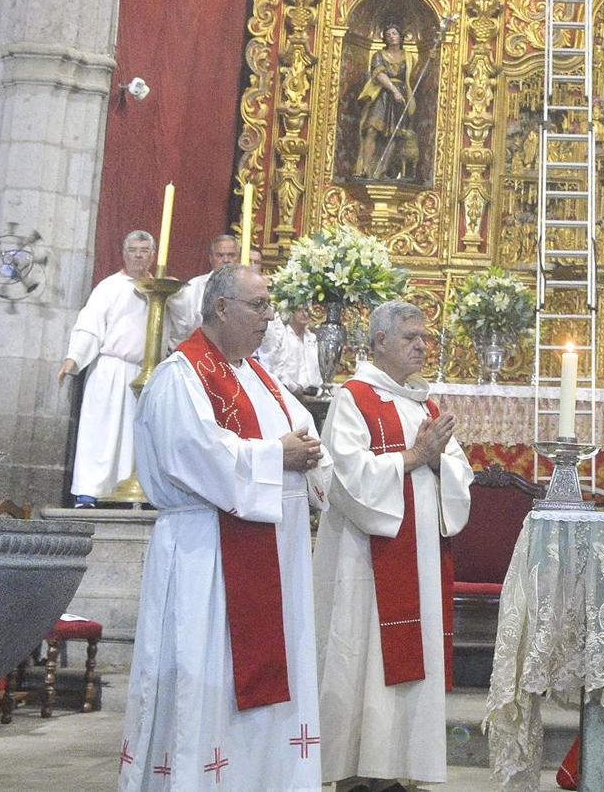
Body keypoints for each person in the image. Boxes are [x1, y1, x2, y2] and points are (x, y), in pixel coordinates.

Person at [117, 263, 325, 791]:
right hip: (204, 554)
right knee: (206, 677)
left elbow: (305, 437)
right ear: (220, 308)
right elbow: (195, 454)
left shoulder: (260, 376)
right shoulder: (179, 376)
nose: (268, 315)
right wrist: (276, 455)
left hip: (267, 555)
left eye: (269, 303)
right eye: (258, 305)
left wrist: (319, 461)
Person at [315, 301, 471, 788]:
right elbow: (341, 476)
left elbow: (461, 475)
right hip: (365, 559)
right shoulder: (354, 398)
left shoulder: (426, 405)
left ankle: (401, 769)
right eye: (410, 337)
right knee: (362, 660)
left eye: (425, 337)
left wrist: (440, 461)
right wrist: (413, 457)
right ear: (379, 342)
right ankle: (360, 773)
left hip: (420, 558)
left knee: (408, 664)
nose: (423, 345)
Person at [58, 231, 155, 506]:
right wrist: (73, 358)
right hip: (110, 370)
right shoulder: (109, 287)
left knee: (133, 439)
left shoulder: (159, 289)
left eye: (144, 250)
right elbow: (90, 324)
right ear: (124, 254)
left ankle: (130, 492)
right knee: (100, 433)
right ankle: (89, 491)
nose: (138, 255)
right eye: (133, 250)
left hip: (143, 372)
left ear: (152, 255)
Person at [354, 24, 419, 181]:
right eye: (388, 34)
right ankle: (365, 169)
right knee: (371, 130)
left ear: (400, 36)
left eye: (395, 33)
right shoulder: (379, 55)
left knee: (394, 134)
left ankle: (382, 171)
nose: (391, 36)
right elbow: (379, 74)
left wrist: (431, 58)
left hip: (401, 98)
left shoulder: (409, 57)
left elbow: (416, 77)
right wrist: (393, 90)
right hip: (382, 94)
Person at [167, 234, 242, 349]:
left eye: (231, 255)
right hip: (200, 350)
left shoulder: (248, 288)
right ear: (211, 258)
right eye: (220, 255)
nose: (226, 260)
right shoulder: (194, 286)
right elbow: (182, 327)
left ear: (239, 258)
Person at [257, 305, 323, 395]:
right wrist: (293, 387)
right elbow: (273, 364)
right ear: (290, 313)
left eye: (307, 310)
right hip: (288, 392)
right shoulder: (282, 335)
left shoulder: (313, 338)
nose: (305, 314)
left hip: (314, 394)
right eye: (299, 310)